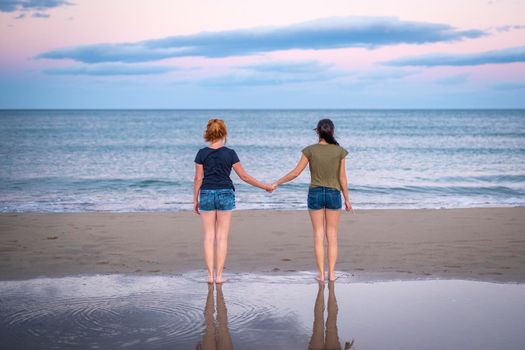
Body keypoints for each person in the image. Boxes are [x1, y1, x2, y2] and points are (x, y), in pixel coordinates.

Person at [194, 118, 273, 283]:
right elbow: (244, 176)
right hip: (225, 194)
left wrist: (195, 199)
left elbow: (198, 178)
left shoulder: (201, 153)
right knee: (222, 237)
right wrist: (265, 186)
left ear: (208, 133)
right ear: (224, 133)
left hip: (207, 193)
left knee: (209, 237)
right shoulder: (230, 153)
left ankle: (210, 276)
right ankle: (220, 277)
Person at [273, 119, 352, 282]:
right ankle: (332, 274)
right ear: (332, 131)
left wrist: (277, 182)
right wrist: (347, 199)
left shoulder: (309, 150)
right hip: (333, 194)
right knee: (332, 236)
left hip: (315, 193)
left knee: (318, 235)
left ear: (317, 131)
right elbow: (342, 178)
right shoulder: (340, 151)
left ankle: (321, 275)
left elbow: (295, 173)